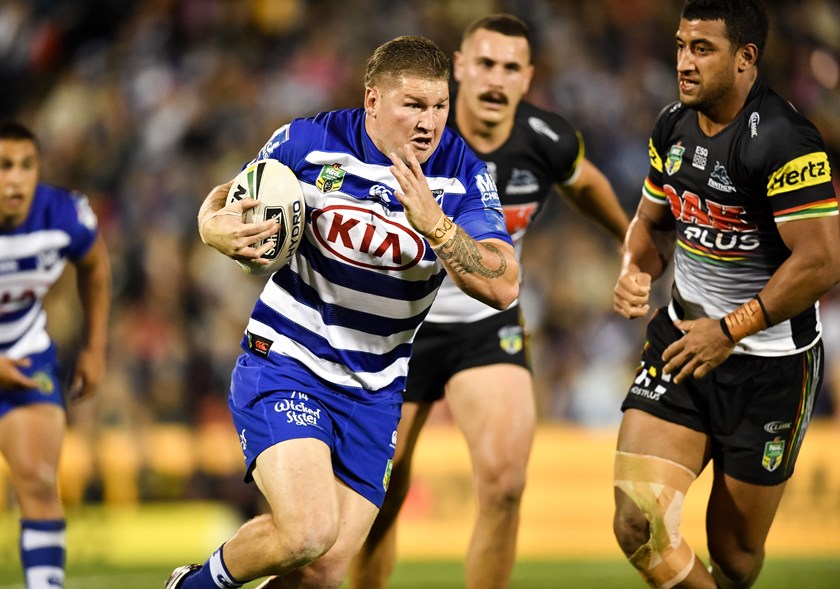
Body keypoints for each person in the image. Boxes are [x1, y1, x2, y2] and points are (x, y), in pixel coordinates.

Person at [164, 35, 520, 589]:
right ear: (372, 100)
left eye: (439, 106)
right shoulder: (310, 141)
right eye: (413, 105)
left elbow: (504, 284)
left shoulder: (462, 174)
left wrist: (438, 227)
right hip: (289, 361)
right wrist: (212, 227)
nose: (429, 123)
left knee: (323, 571)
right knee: (307, 532)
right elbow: (228, 196)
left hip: (375, 390)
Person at [348, 14, 629, 589]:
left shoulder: (547, 140)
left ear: (528, 78)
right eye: (484, 64)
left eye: (509, 67)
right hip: (401, 327)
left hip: (485, 322)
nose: (495, 79)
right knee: (381, 488)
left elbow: (586, 184)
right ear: (458, 68)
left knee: (504, 485)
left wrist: (631, 245)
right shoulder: (411, 133)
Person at [611, 1, 840, 587]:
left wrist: (731, 329)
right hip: (682, 342)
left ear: (745, 58)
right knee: (638, 524)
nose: (683, 62)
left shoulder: (786, 140)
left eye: (702, 49)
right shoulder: (672, 124)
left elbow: (822, 261)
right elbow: (653, 223)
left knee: (735, 557)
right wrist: (636, 267)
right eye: (681, 46)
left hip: (770, 368)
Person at [0, 121, 111, 588]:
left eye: (27, 165)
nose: (16, 179)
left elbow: (95, 266)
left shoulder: (62, 213)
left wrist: (94, 347)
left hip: (25, 355)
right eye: (4, 166)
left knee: (41, 481)